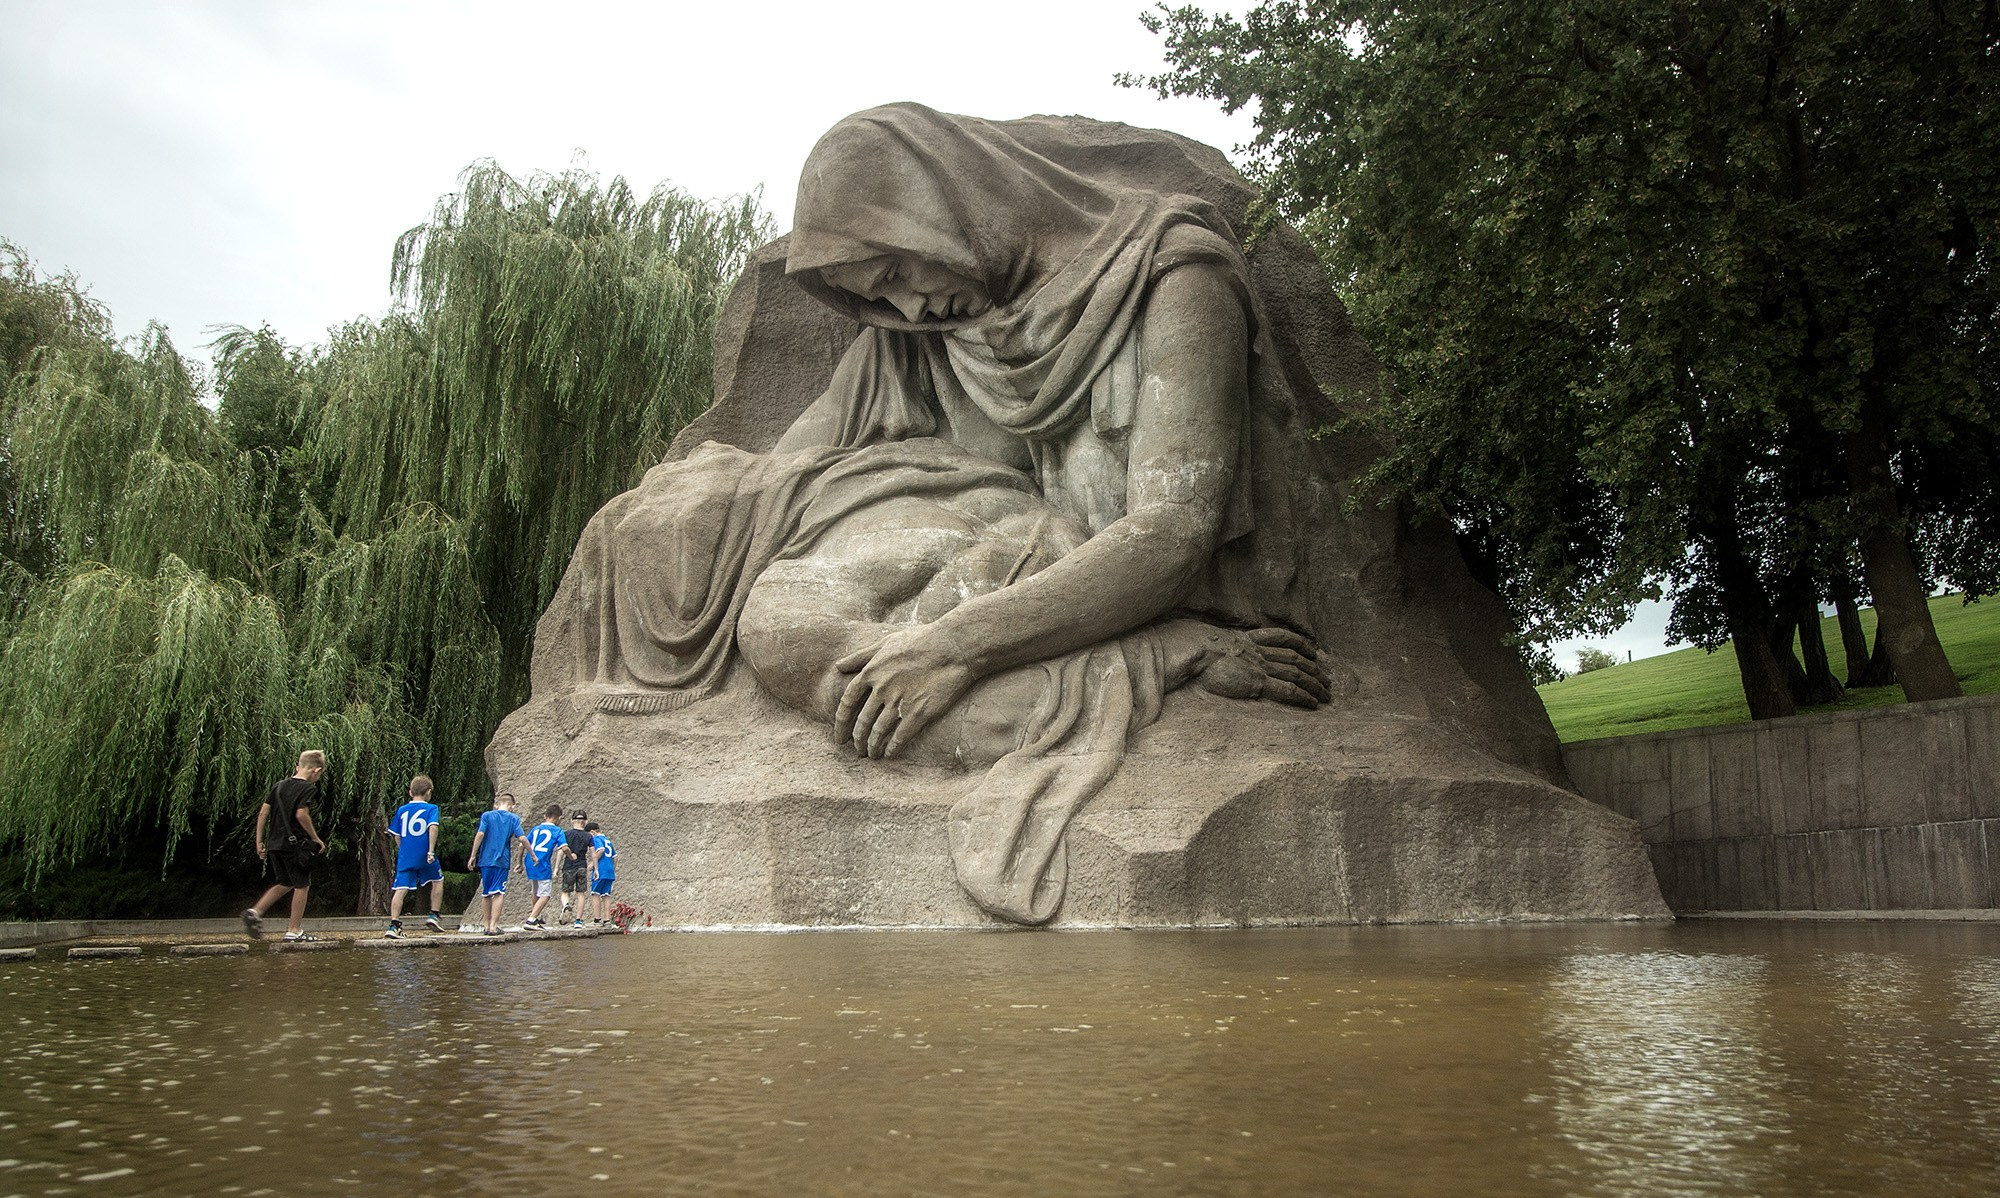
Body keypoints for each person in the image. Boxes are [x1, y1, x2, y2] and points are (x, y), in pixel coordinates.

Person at [243, 749, 328, 942]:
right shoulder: (307, 788)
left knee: (285, 882)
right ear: (316, 770)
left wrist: (259, 842)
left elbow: (263, 813)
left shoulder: (278, 786)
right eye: (320, 773)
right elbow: (301, 814)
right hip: (294, 845)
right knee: (302, 885)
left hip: (275, 844)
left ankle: (254, 911)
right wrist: (315, 838)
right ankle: (294, 930)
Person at [383, 775, 446, 938]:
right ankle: (434, 915)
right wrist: (430, 851)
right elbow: (433, 828)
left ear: (410, 792)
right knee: (437, 880)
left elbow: (396, 835)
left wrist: (403, 850)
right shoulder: (431, 808)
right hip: (425, 854)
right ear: (429, 792)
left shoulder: (402, 810)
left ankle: (394, 925)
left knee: (400, 889)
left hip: (406, 856)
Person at [466, 793, 525, 935]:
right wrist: (531, 856)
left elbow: (480, 834)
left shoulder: (487, 816)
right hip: (501, 860)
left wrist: (473, 855)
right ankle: (493, 925)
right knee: (499, 892)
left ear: (496, 804)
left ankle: (486, 925)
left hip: (485, 859)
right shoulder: (513, 818)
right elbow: (522, 838)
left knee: (486, 893)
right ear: (513, 806)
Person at [521, 803, 565, 929]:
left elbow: (522, 844)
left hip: (530, 861)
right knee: (545, 894)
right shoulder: (557, 830)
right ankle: (531, 919)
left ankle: (536, 919)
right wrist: (571, 855)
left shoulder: (535, 829)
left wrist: (519, 862)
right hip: (542, 863)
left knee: (535, 891)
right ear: (559, 818)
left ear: (545, 816)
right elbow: (564, 847)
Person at [555, 810, 592, 927]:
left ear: (572, 821)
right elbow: (593, 853)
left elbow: (561, 851)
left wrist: (556, 867)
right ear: (585, 822)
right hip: (582, 866)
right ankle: (578, 921)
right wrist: (595, 867)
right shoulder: (588, 836)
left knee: (565, 892)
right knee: (580, 893)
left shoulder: (566, 834)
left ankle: (566, 905)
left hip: (568, 866)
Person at [586, 821, 616, 924]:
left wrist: (591, 865)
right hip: (609, 871)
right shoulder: (607, 840)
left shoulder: (596, 838)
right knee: (606, 894)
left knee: (595, 893)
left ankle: (597, 919)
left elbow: (601, 850)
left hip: (600, 870)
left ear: (592, 832)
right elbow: (615, 857)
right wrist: (613, 869)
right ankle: (607, 919)